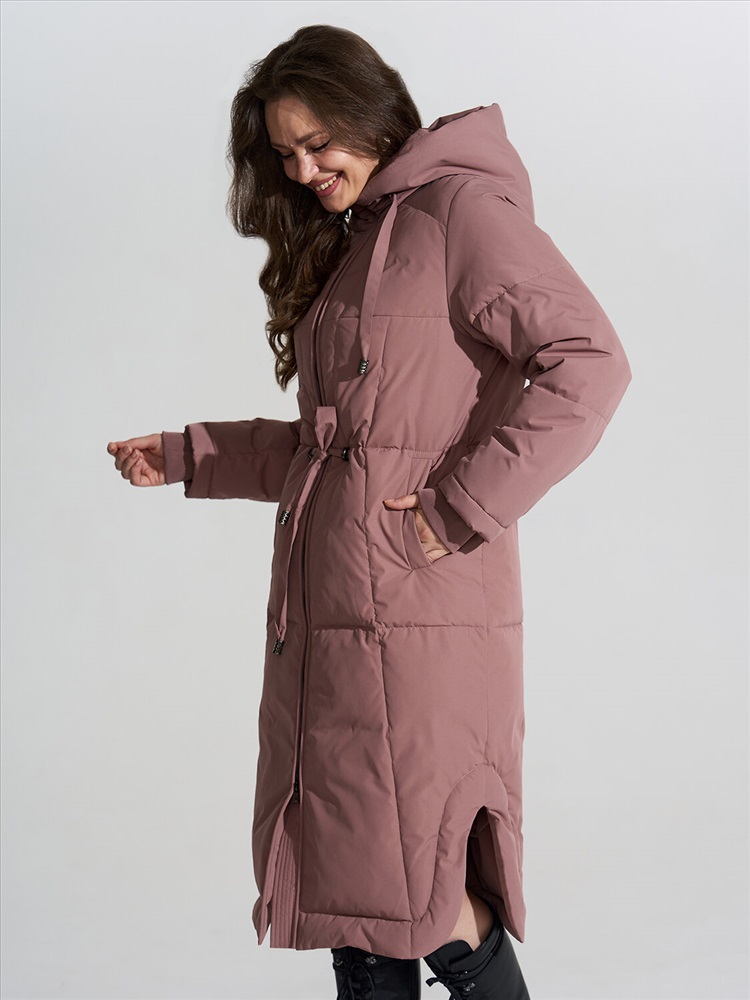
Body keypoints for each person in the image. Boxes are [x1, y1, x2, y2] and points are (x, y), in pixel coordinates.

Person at [107, 24, 632, 1000]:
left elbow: (590, 364)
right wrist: (188, 455)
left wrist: (458, 507)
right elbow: (334, 453)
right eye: (286, 154)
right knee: (358, 905)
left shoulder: (461, 213)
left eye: (318, 143)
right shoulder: (361, 243)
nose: (304, 170)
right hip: (336, 626)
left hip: (418, 623)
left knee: (427, 900)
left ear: (370, 113)